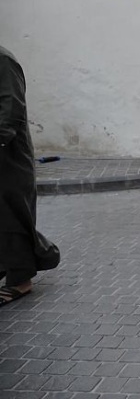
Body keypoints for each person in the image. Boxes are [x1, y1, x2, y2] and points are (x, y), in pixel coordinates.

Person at [0, 47, 60, 308]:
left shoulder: (3, 60)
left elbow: (10, 110)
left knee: (11, 214)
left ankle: (20, 279)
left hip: (9, 156)